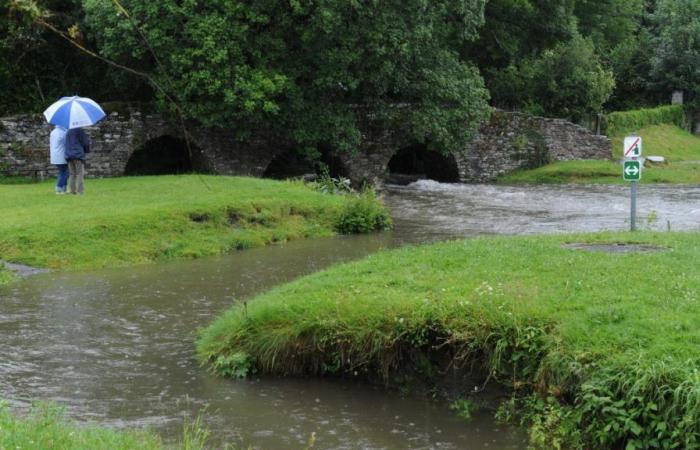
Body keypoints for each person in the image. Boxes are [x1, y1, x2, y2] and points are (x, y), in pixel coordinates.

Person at [64, 127, 91, 195]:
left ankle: (72, 190)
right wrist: (86, 150)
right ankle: (80, 191)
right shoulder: (79, 130)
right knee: (79, 173)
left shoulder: (68, 131)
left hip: (69, 155)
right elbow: (85, 143)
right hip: (77, 154)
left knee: (72, 174)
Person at [49, 125, 68, 194]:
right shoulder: (63, 133)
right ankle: (59, 188)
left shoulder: (53, 132)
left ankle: (64, 189)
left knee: (63, 172)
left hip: (55, 155)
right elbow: (66, 143)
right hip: (61, 155)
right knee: (64, 172)